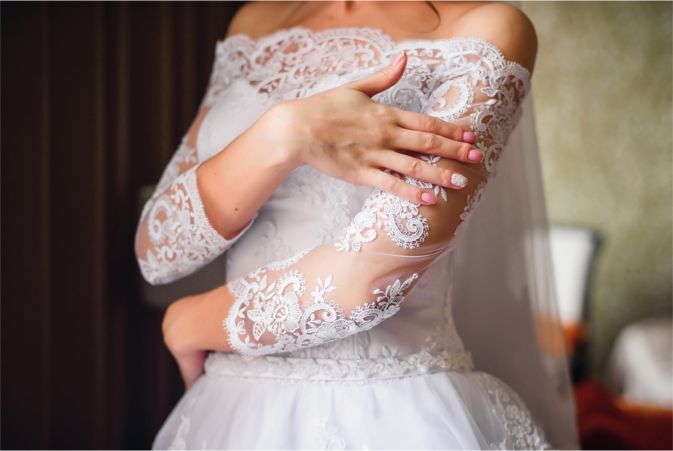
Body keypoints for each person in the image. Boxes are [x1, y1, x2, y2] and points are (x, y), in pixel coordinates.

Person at [136, 1, 577, 448]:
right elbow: (158, 248)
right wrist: (286, 133)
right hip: (229, 417)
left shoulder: (484, 29)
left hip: (388, 412)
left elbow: (368, 277)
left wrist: (190, 320)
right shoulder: (255, 22)